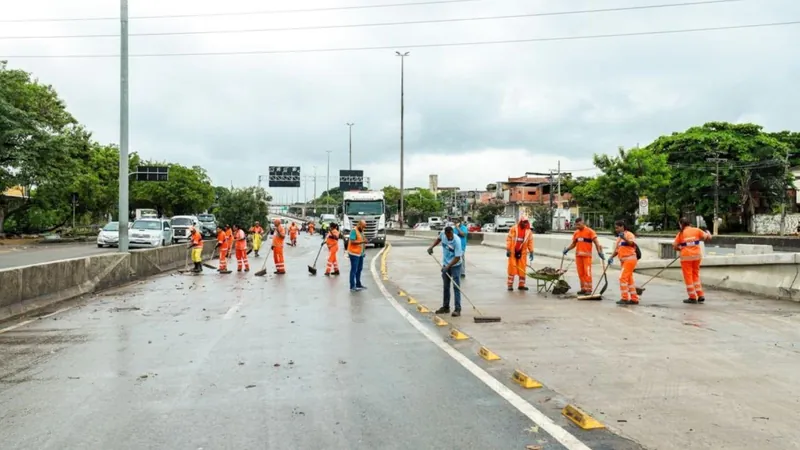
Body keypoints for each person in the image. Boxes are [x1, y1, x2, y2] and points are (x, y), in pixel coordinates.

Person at [427, 226, 464, 317]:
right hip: (446, 264)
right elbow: (438, 239)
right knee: (446, 286)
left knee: (456, 287)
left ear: (452, 233)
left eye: (450, 236)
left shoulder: (457, 241)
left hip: (456, 265)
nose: (449, 238)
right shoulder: (443, 234)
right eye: (447, 236)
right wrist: (432, 247)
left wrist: (447, 267)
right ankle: (446, 307)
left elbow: (457, 257)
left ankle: (457, 309)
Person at [673, 217, 712, 304]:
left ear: (681, 224)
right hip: (697, 256)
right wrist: (708, 232)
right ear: (689, 223)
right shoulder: (697, 230)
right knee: (695, 275)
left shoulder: (681, 234)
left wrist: (681, 248)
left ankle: (692, 297)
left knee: (688, 277)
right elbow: (708, 237)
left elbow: (675, 246)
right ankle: (700, 294)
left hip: (686, 257)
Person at [563, 217, 605, 295]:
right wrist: (567, 249)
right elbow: (574, 244)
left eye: (579, 224)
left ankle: (589, 289)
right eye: (576, 225)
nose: (577, 226)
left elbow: (596, 242)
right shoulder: (576, 233)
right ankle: (583, 288)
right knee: (581, 273)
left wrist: (599, 252)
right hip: (578, 257)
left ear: (583, 223)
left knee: (587, 272)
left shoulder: (590, 232)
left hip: (587, 257)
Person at [608, 220, 638, 305]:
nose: (616, 229)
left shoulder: (629, 234)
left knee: (622, 278)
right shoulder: (619, 238)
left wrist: (624, 238)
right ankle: (634, 298)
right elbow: (617, 250)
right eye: (615, 228)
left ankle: (624, 298)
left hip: (630, 259)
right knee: (629, 279)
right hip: (624, 261)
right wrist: (611, 257)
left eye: (617, 228)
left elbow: (632, 244)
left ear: (622, 227)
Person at [505, 216, 534, 291]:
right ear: (520, 222)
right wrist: (508, 249)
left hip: (522, 252)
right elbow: (509, 239)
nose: (525, 223)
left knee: (522, 269)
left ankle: (521, 285)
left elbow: (530, 242)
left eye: (526, 222)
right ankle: (510, 285)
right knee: (512, 268)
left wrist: (531, 251)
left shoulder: (528, 232)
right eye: (524, 222)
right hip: (513, 251)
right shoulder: (513, 229)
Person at [347, 220, 368, 292]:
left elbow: (363, 242)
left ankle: (358, 284)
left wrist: (363, 252)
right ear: (359, 225)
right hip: (354, 253)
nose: (364, 228)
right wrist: (362, 241)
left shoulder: (361, 231)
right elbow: (352, 241)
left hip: (360, 253)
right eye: (363, 226)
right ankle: (352, 286)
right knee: (354, 269)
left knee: (359, 269)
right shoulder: (354, 231)